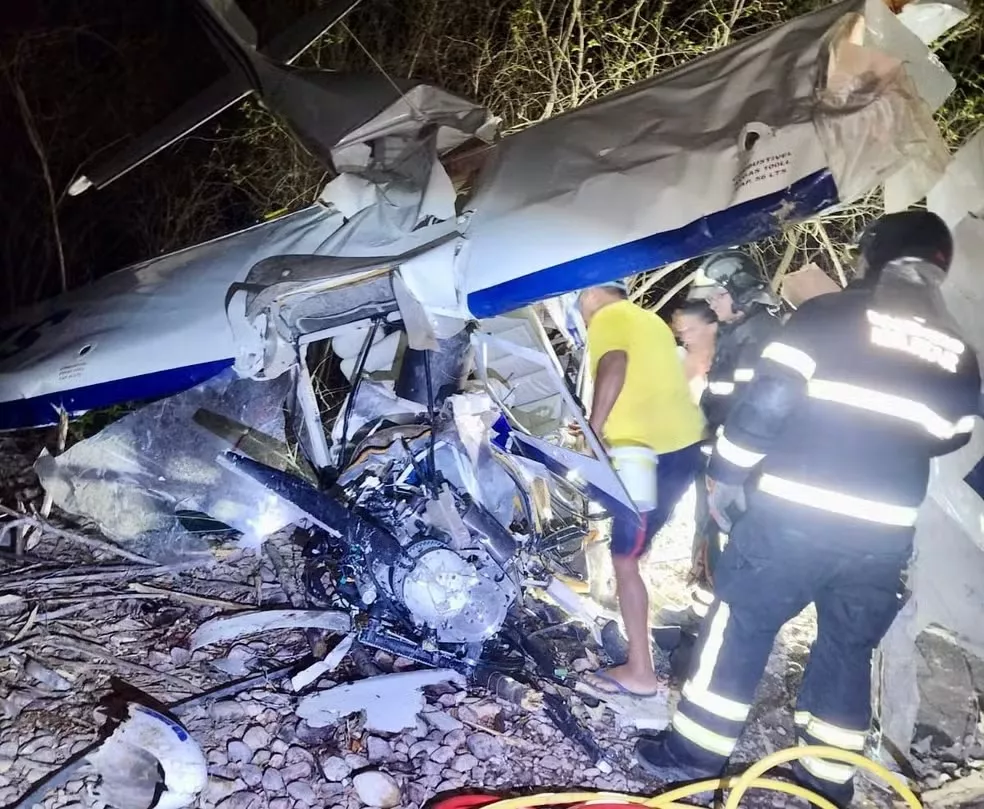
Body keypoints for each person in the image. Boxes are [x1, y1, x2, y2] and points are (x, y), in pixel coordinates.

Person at [634, 211, 981, 804]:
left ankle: (696, 750)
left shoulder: (828, 316)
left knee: (742, 622)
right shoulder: (957, 351)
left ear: (872, 256)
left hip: (793, 519)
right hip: (883, 537)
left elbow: (769, 402)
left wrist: (726, 474)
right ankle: (827, 776)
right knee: (848, 647)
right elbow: (953, 434)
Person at [578, 280, 705, 697]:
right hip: (681, 449)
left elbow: (613, 363)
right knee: (636, 550)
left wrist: (593, 430)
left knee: (624, 559)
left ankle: (640, 673)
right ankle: (638, 631)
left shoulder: (608, 317)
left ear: (590, 294)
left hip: (650, 459)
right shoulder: (648, 320)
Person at [684, 251, 783, 597]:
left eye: (718, 294)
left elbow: (752, 407)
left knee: (736, 532)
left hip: (740, 463)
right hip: (720, 453)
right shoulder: (739, 332)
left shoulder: (760, 337)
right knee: (709, 525)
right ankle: (706, 598)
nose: (712, 302)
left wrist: (730, 465)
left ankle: (727, 602)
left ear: (741, 289)